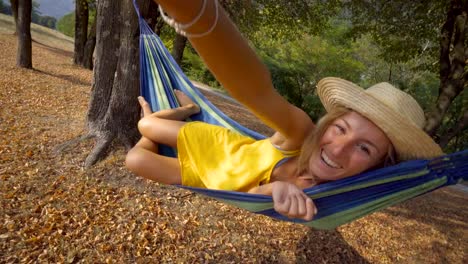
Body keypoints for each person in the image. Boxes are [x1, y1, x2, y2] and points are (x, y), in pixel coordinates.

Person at [125, 0, 443, 221]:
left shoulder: (327, 196)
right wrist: (192, 11)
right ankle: (188, 107)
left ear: (378, 164)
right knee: (147, 129)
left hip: (208, 179)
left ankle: (163, 112)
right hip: (219, 147)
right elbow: (256, 91)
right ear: (328, 123)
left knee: (135, 159)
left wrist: (276, 189)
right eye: (340, 128)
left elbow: (253, 195)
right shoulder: (302, 135)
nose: (339, 147)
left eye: (364, 147)